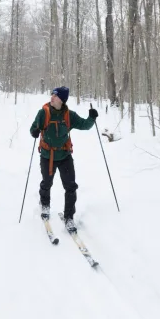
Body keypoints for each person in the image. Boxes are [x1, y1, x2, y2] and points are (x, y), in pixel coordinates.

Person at [29, 86, 98, 233]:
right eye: (52, 95)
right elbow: (33, 129)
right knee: (47, 183)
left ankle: (69, 217)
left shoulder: (69, 115)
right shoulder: (43, 113)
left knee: (71, 187)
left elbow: (85, 125)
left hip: (65, 156)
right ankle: (45, 204)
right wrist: (34, 131)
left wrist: (92, 118)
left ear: (62, 100)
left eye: (55, 96)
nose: (52, 97)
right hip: (47, 156)